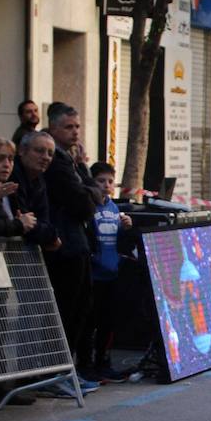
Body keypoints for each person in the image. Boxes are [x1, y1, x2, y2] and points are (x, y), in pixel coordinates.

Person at [42, 105, 101, 387]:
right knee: (66, 311)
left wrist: (85, 179)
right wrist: (89, 191)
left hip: (77, 243)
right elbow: (82, 203)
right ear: (53, 128)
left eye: (77, 126)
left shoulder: (72, 160)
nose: (75, 132)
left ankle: (68, 368)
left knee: (81, 310)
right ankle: (57, 372)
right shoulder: (56, 161)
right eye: (68, 127)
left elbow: (94, 194)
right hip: (64, 246)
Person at [83, 162, 134, 383]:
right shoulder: (89, 208)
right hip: (95, 275)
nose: (106, 186)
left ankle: (104, 362)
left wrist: (127, 227)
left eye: (110, 182)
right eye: (101, 181)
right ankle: (87, 364)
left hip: (112, 273)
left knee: (108, 322)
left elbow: (119, 242)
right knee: (90, 322)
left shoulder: (114, 209)